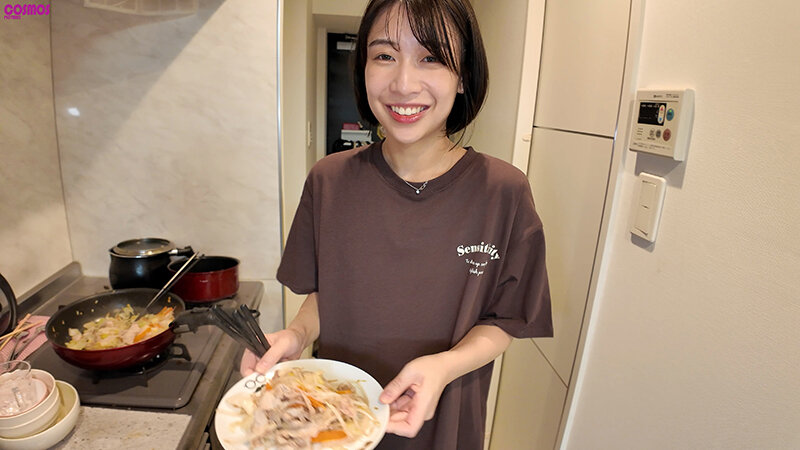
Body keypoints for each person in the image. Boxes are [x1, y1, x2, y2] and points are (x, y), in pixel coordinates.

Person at [240, 0, 553, 448]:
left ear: (463, 76)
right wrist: (297, 333)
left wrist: (445, 366)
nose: (404, 83)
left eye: (432, 57)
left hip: (444, 416)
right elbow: (327, 294)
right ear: (364, 68)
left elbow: (505, 319)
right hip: (337, 412)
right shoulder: (329, 180)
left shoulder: (504, 191)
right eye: (385, 55)